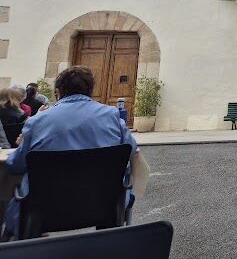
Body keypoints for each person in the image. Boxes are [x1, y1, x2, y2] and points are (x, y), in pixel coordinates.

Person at [3, 66, 138, 239]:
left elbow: (16, 165)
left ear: (58, 92)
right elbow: (130, 150)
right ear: (90, 90)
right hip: (104, 204)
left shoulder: (37, 122)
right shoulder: (112, 116)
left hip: (46, 208)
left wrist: (22, 144)